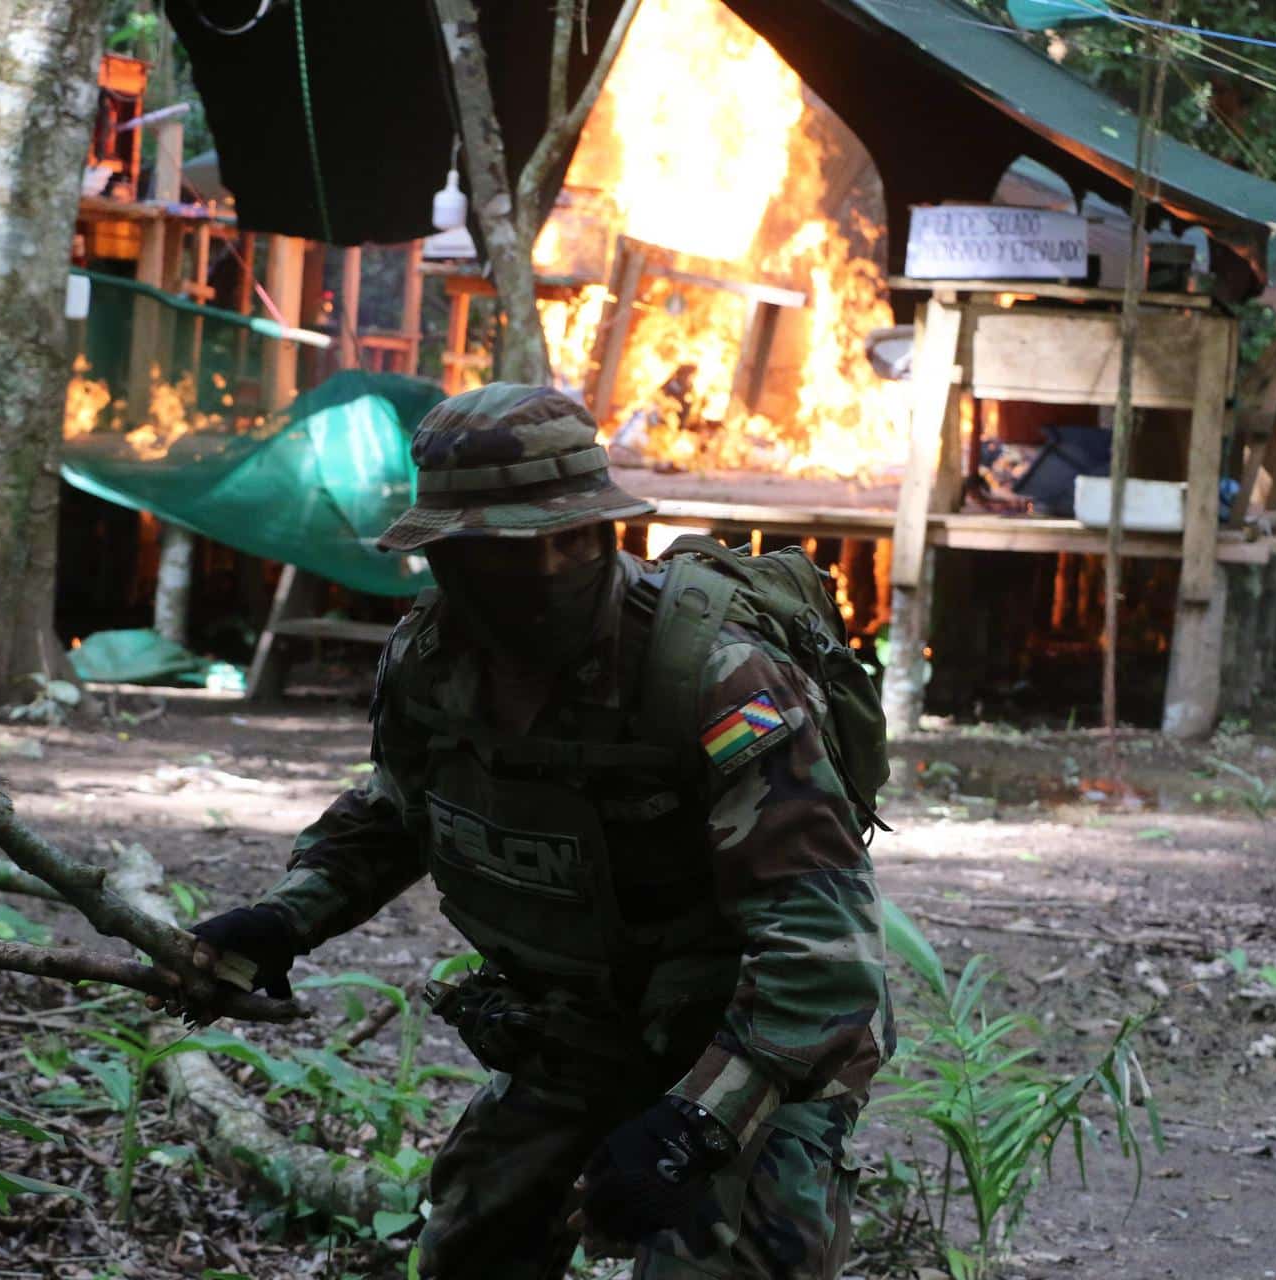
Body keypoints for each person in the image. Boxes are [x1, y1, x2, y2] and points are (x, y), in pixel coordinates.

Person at [158, 383, 891, 1279]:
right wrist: (282, 919)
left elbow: (823, 958)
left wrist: (694, 1125)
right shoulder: (432, 664)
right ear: (445, 554)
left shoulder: (713, 677)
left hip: (756, 1039)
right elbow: (397, 808)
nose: (540, 573)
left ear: (602, 533)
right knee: (471, 1250)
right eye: (499, 551)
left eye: (565, 542)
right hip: (586, 1027)